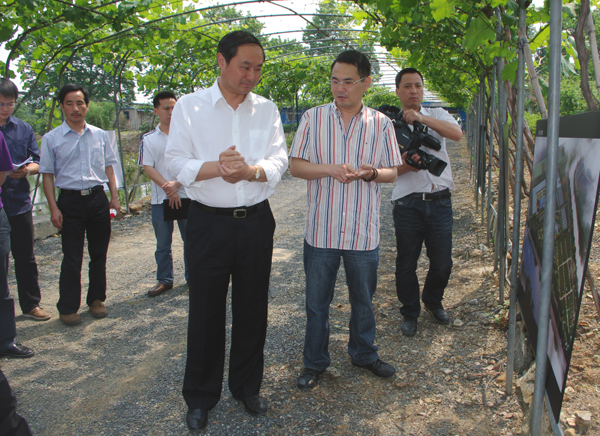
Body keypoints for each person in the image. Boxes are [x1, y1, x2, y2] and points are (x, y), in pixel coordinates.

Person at [165, 31, 287, 431]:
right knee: (205, 311)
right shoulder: (190, 107)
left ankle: (246, 387)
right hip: (207, 222)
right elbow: (175, 162)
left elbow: (278, 159)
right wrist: (218, 167)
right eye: (244, 66)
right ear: (222, 61)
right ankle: (200, 396)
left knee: (253, 308)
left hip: (254, 221)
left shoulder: (266, 109)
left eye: (258, 68)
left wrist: (250, 171)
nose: (251, 76)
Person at [289, 50, 402, 391]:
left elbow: (393, 172)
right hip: (321, 231)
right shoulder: (313, 118)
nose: (340, 88)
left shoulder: (381, 124)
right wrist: (329, 169)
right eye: (335, 80)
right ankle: (314, 362)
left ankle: (364, 354)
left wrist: (371, 173)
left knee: (363, 302)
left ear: (366, 83)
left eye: (348, 81)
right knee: (316, 304)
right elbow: (296, 166)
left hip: (362, 232)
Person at [39, 83, 121, 326]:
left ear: (87, 105)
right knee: (72, 256)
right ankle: (67, 306)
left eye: (80, 103)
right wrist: (54, 208)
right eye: (69, 103)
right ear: (62, 106)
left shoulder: (100, 135)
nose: (75, 108)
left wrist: (113, 197)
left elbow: (109, 167)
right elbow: (47, 175)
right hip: (70, 201)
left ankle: (96, 299)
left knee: (99, 253)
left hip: (97, 198)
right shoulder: (51, 139)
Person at [391, 68, 463, 337]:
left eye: (418, 86)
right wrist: (408, 166)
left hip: (441, 201)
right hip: (408, 204)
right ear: (397, 91)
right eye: (407, 86)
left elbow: (456, 134)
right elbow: (382, 170)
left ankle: (433, 300)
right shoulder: (388, 125)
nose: (413, 91)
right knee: (406, 263)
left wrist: (421, 118)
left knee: (443, 261)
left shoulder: (438, 114)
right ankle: (410, 312)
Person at [0, 78, 50, 321]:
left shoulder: (23, 128)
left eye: (10, 104)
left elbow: (38, 160)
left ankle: (31, 304)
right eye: (1, 104)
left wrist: (26, 170)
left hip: (19, 199)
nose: (5, 109)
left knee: (25, 255)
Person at [139, 91, 188, 297]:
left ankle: (193, 277)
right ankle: (165, 280)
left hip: (186, 195)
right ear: (156, 111)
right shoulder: (149, 139)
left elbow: (194, 164)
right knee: (163, 243)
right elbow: (148, 167)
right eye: (166, 108)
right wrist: (168, 187)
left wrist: (178, 184)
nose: (171, 112)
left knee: (192, 239)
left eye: (174, 107)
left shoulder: (187, 135)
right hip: (161, 199)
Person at [0, 131, 34, 359]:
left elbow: (3, 170)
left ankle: (5, 340)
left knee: (2, 280)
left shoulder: (19, 130)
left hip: (11, 206)